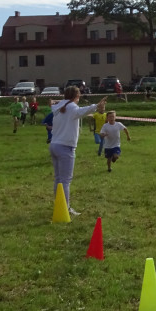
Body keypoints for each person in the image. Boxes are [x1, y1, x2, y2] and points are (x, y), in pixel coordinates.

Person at [50, 86, 106, 218]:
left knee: (58, 178)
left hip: (54, 145)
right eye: (79, 95)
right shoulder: (72, 108)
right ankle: (66, 208)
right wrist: (97, 105)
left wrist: (95, 106)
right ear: (76, 96)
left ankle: (58, 204)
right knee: (65, 180)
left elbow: (79, 110)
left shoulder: (59, 107)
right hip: (65, 147)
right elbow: (83, 111)